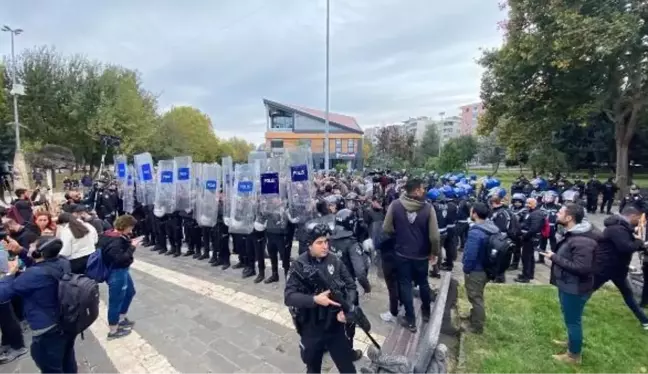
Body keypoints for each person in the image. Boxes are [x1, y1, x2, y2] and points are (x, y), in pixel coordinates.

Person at [284, 223, 358, 374]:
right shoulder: (299, 265)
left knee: (348, 369)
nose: (325, 246)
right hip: (311, 327)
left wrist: (346, 308)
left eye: (326, 242)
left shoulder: (334, 261)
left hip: (335, 325)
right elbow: (289, 297)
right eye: (319, 243)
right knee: (312, 368)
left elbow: (351, 286)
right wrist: (314, 300)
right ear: (309, 245)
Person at [0, 238, 77, 373]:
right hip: (65, 320)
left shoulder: (33, 275)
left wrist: (10, 274)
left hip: (46, 328)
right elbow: (41, 265)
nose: (28, 245)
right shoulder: (62, 261)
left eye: (32, 246)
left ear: (38, 253)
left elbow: (4, 294)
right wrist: (22, 252)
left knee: (49, 365)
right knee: (67, 358)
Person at [541, 203, 600, 365]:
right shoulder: (573, 233)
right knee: (570, 318)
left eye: (560, 212)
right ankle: (572, 342)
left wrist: (554, 257)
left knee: (573, 320)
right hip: (568, 284)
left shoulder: (582, 241)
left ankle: (574, 356)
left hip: (575, 287)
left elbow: (582, 268)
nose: (556, 214)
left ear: (569, 218)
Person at [383, 178, 441, 332]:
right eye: (422, 189)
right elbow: (435, 236)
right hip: (422, 255)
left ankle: (411, 321)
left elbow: (386, 227)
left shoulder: (395, 205)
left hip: (402, 254)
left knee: (405, 285)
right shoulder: (428, 208)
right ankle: (426, 312)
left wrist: (399, 236)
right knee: (423, 283)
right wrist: (434, 252)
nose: (424, 191)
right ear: (416, 191)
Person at [592, 206, 648, 329]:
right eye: (638, 218)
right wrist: (638, 241)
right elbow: (625, 247)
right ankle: (573, 308)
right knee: (588, 289)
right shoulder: (617, 229)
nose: (639, 221)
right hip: (605, 267)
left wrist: (641, 245)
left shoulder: (624, 228)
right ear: (632, 216)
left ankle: (645, 321)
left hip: (618, 269)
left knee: (628, 294)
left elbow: (629, 244)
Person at [98, 214, 139, 340]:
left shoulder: (109, 234)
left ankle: (121, 318)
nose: (131, 231)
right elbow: (120, 259)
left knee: (130, 292)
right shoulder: (115, 241)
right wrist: (132, 247)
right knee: (115, 300)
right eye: (130, 228)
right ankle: (113, 330)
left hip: (121, 271)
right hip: (116, 272)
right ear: (125, 226)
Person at [462, 202, 499, 334]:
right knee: (478, 294)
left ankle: (477, 326)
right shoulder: (492, 227)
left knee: (475, 297)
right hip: (487, 268)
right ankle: (474, 316)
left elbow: (471, 254)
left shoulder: (476, 232)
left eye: (471, 211)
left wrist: (466, 269)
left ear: (475, 214)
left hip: (476, 270)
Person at [0, 230, 27, 364]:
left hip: (4, 286)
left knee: (8, 319)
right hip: (6, 283)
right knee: (5, 320)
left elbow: (16, 264)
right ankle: (6, 342)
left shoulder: (4, 248)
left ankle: (18, 346)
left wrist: (11, 272)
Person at [515, 197, 545, 283]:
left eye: (529, 203)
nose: (527, 205)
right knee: (529, 257)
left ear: (534, 204)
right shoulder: (530, 212)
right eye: (527, 203)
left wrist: (524, 236)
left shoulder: (537, 214)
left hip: (531, 238)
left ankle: (526, 277)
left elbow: (534, 229)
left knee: (526, 257)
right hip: (528, 237)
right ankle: (529, 274)